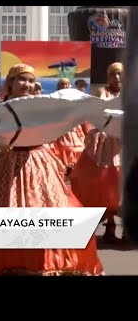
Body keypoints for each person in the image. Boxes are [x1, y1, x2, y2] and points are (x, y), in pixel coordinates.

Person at [0, 63, 103, 276]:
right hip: (11, 162)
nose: (26, 84)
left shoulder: (41, 106)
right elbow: (3, 144)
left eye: (31, 80)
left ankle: (48, 262)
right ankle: (18, 262)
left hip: (40, 160)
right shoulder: (1, 110)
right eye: (21, 79)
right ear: (11, 83)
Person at [69, 62, 124, 243]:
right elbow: (97, 112)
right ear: (108, 77)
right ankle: (108, 224)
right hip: (104, 144)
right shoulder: (102, 93)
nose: (116, 78)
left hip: (125, 143)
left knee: (122, 185)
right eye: (113, 74)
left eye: (119, 74)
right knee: (103, 183)